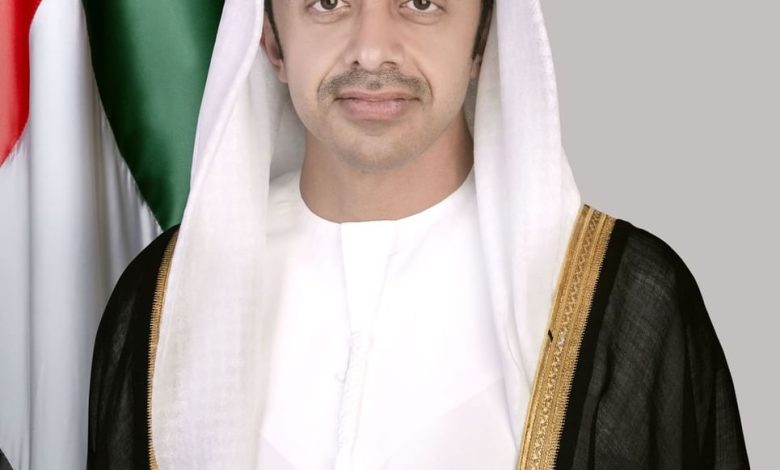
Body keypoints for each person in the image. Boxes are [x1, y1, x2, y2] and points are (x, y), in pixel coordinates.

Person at [87, 0, 749, 468]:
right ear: (271, 40)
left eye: (421, 1)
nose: (372, 49)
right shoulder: (166, 301)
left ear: (482, 38)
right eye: (328, 2)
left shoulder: (625, 303)